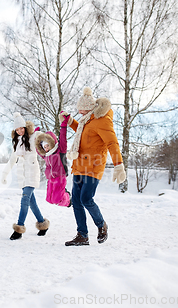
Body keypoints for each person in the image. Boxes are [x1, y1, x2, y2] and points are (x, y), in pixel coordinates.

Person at [60, 87, 126, 246]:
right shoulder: (86, 121)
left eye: (81, 111)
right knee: (76, 201)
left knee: (86, 199)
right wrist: (71, 121)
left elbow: (112, 142)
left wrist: (118, 164)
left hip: (93, 166)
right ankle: (82, 235)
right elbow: (83, 133)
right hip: (79, 166)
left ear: (89, 109)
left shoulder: (102, 120)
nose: (80, 114)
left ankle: (101, 225)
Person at [2, 112, 50, 240]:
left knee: (24, 201)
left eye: (21, 128)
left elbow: (46, 137)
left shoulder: (34, 136)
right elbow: (12, 160)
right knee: (32, 203)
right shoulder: (17, 143)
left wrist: (47, 143)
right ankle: (43, 224)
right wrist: (5, 173)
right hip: (22, 177)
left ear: (25, 127)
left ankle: (19, 229)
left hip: (32, 174)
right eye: (17, 129)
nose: (19, 131)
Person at [34, 112, 71, 208]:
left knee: (56, 199)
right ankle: (65, 195)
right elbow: (38, 151)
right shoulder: (46, 155)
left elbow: (63, 137)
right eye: (44, 147)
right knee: (49, 200)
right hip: (50, 178)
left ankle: (68, 198)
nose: (46, 148)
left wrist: (63, 124)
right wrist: (35, 137)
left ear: (52, 142)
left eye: (47, 145)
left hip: (60, 177)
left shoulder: (60, 150)